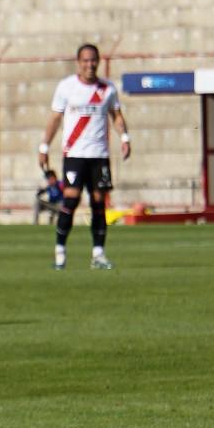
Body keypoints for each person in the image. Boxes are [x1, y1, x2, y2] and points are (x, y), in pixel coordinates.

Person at [39, 42, 131, 270]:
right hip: (75, 155)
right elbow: (55, 119)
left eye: (93, 60)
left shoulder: (107, 89)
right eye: (85, 61)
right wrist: (44, 147)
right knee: (70, 199)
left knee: (99, 203)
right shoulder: (66, 87)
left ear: (98, 62)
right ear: (79, 63)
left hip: (99, 155)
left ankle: (98, 254)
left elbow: (116, 116)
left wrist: (125, 137)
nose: (90, 65)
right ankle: (60, 252)